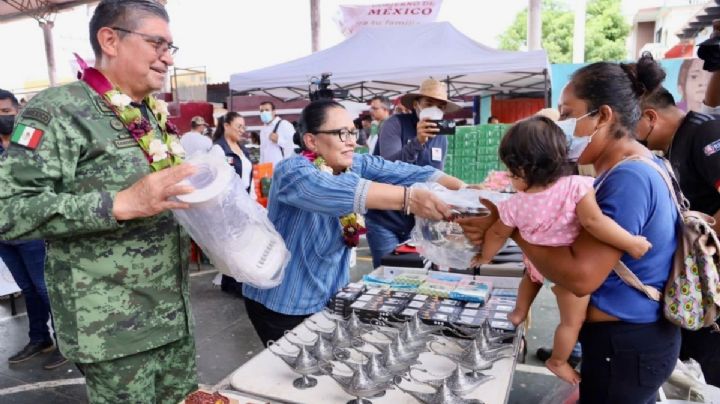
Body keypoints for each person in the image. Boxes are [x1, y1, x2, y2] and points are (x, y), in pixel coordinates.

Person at [0, 1, 199, 401]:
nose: (167, 56)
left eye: (170, 47)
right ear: (110, 39)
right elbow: (9, 211)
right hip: (112, 329)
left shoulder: (151, 114)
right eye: (156, 42)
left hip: (173, 317)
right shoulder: (58, 110)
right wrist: (117, 204)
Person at [459, 54, 680, 403]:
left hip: (624, 344)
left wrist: (515, 229)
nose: (560, 125)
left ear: (603, 116)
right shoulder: (634, 165)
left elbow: (580, 278)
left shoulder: (629, 178)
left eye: (566, 113)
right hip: (628, 342)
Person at [242, 99, 465, 345]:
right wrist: (410, 199)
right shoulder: (292, 172)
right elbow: (339, 191)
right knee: (294, 374)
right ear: (311, 141)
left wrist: (465, 189)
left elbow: (404, 171)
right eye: (341, 133)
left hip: (329, 293)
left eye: (353, 131)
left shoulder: (353, 163)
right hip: (284, 301)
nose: (352, 141)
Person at [477, 116, 652, 384]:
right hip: (566, 268)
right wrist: (630, 242)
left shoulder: (514, 204)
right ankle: (558, 361)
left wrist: (484, 257)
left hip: (537, 263)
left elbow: (497, 233)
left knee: (530, 279)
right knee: (571, 323)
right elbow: (595, 223)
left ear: (522, 169)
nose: (511, 179)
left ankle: (519, 312)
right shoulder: (576, 187)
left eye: (511, 172)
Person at [638, 86, 720, 386]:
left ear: (650, 117)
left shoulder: (704, 133)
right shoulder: (675, 144)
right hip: (693, 282)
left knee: (712, 368)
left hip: (708, 275)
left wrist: (696, 254)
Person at [0, 89, 67, 370]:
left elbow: (43, 176)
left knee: (45, 288)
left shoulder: (28, 139)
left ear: (17, 110)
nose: (1, 118)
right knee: (27, 288)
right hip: (4, 233)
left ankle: (66, 342)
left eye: (5, 112)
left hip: (31, 229)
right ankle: (40, 338)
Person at [365, 78, 461, 268]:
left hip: (417, 223)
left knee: (414, 274)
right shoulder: (395, 124)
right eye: (429, 104)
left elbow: (435, 175)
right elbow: (388, 169)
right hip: (385, 218)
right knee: (387, 273)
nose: (434, 109)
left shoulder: (441, 137)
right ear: (417, 104)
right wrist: (418, 141)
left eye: (439, 106)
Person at [213, 112, 255, 298]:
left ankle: (232, 280)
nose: (242, 130)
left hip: (244, 199)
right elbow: (215, 179)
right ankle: (232, 281)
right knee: (232, 243)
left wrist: (250, 201)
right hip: (228, 203)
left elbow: (249, 178)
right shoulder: (218, 149)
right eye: (238, 126)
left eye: (243, 127)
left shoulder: (242, 148)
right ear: (226, 125)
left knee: (243, 241)